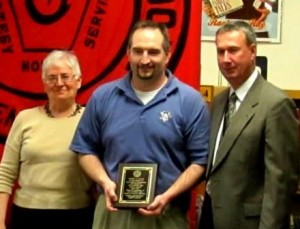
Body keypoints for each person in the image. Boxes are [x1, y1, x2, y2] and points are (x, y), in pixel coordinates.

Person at [70, 20, 210, 229]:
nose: (145, 60)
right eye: (138, 51)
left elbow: (200, 162)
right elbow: (85, 150)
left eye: (153, 52)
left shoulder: (190, 101)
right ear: (128, 54)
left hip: (167, 215)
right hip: (113, 214)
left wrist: (168, 195)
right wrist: (105, 182)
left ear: (168, 55)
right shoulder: (103, 97)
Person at [198, 21, 299, 229]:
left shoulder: (276, 104)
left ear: (252, 51)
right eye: (220, 51)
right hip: (211, 218)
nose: (226, 59)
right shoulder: (218, 102)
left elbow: (280, 184)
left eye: (233, 50)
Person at [0, 50, 95, 229]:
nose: (59, 83)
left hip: (77, 215)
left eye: (65, 76)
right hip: (27, 216)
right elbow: (5, 174)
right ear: (44, 84)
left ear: (79, 80)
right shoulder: (24, 119)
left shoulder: (91, 120)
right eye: (52, 78)